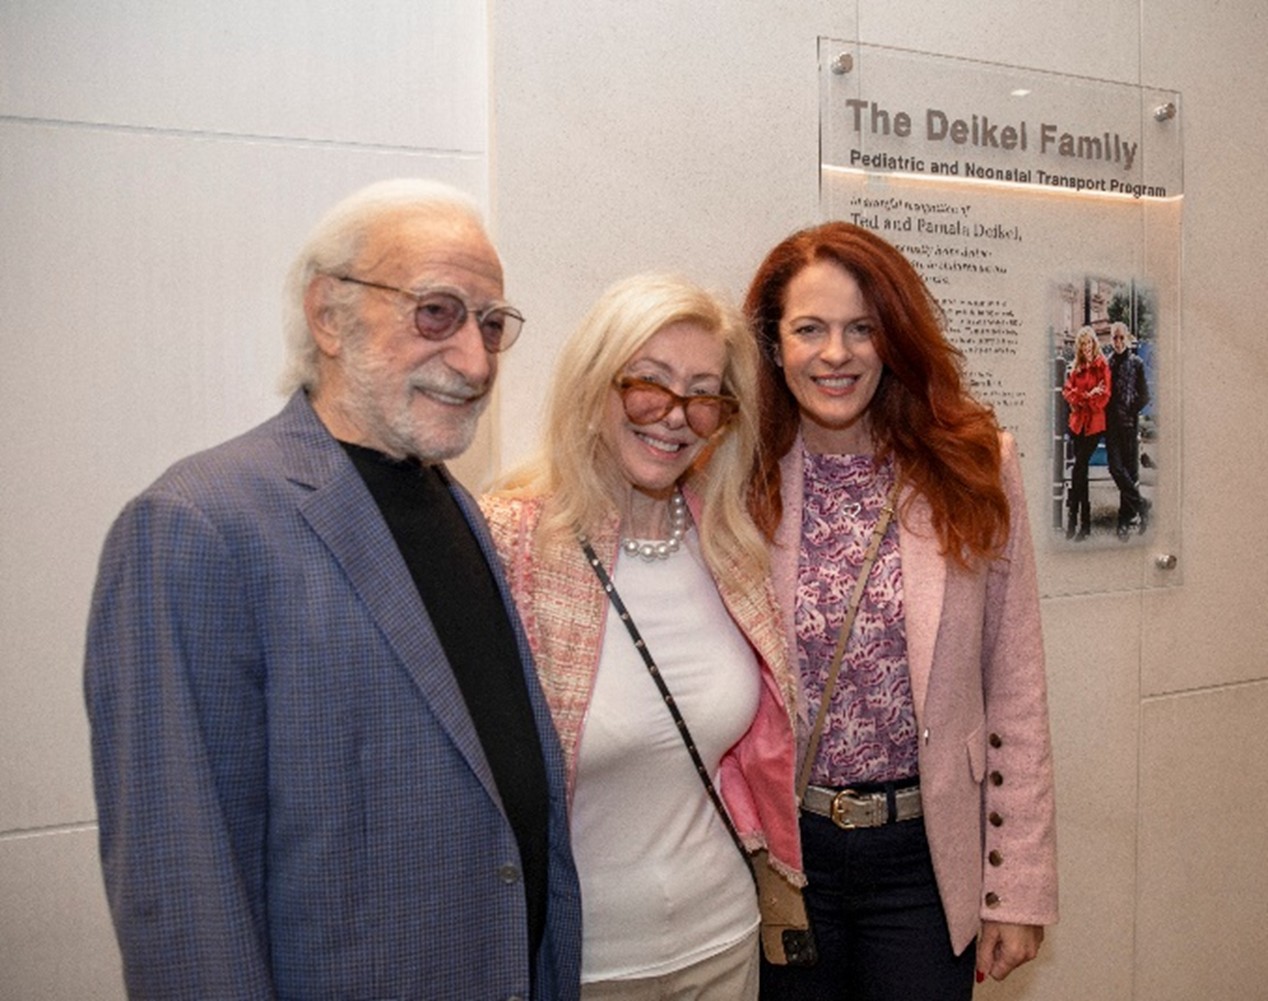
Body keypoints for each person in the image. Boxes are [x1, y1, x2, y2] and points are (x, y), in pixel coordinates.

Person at [84, 179, 582, 999]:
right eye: (437, 313)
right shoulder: (197, 524)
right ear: (328, 314)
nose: (475, 359)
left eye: (491, 324)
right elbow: (181, 889)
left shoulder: (453, 501)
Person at [744, 222, 1058, 1000]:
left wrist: (1015, 886)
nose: (836, 353)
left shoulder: (975, 462)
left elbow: (1014, 684)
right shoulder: (742, 474)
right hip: (788, 856)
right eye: (809, 329)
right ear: (774, 343)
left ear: (895, 338)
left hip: (924, 860)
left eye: (862, 328)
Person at [480, 273, 804, 1000]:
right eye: (647, 383)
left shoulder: (733, 546)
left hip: (724, 941)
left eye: (703, 394)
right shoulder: (510, 544)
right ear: (595, 386)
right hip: (584, 962)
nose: (674, 416)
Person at [1061, 325, 1111, 541]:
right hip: (1077, 425)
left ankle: (1077, 520)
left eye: (1089, 342)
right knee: (1080, 472)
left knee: (1079, 467)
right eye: (1082, 344)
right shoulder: (1075, 368)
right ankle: (1082, 524)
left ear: (1094, 343)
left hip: (1093, 426)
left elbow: (1103, 398)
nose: (1086, 347)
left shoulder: (1102, 366)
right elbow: (1067, 393)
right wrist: (1087, 395)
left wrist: (1083, 399)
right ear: (1080, 347)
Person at [1106, 321, 1151, 539]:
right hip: (1112, 426)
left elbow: (1145, 395)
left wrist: (1130, 408)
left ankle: (1123, 522)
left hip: (1129, 426)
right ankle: (1142, 505)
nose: (1118, 342)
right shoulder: (1108, 363)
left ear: (1128, 338)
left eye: (1121, 337)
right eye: (1115, 337)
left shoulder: (1137, 363)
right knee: (1116, 469)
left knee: (1129, 473)